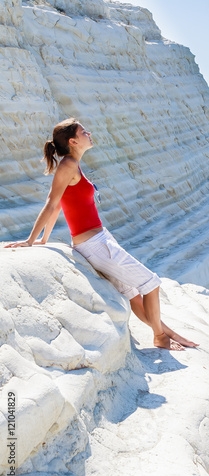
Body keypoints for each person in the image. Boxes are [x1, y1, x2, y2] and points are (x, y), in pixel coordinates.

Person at [5, 118, 198, 351]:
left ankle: (167, 332)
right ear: (73, 141)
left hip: (100, 241)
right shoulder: (67, 165)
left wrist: (44, 239)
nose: (90, 133)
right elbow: (51, 202)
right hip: (95, 245)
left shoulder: (73, 163)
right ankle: (159, 337)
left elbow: (59, 206)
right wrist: (31, 240)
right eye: (84, 131)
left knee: (134, 294)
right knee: (151, 283)